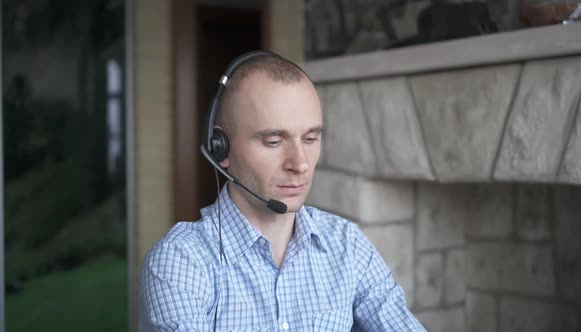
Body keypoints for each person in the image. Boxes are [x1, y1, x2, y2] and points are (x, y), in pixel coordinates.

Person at [140, 51, 425, 331]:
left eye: (311, 138)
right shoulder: (180, 261)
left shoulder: (348, 246)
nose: (300, 164)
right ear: (221, 148)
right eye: (274, 142)